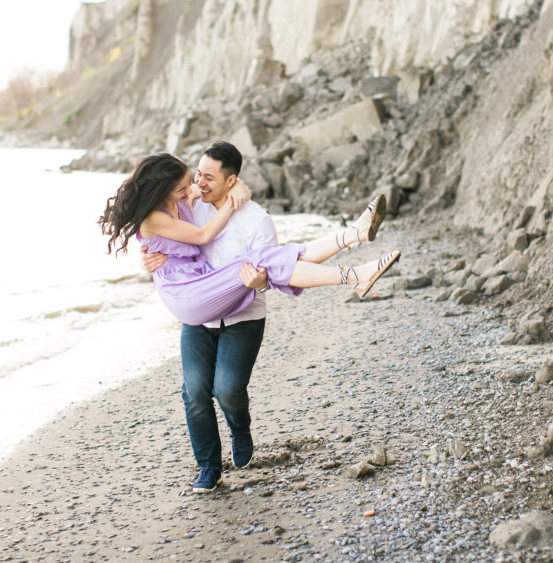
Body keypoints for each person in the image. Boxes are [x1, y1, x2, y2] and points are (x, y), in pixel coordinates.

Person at [99, 142, 399, 492]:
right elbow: (185, 238)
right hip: (196, 305)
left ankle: (240, 428)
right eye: (194, 179)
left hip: (240, 313)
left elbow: (276, 276)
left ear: (230, 180)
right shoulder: (189, 206)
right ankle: (208, 468)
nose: (196, 186)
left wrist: (256, 278)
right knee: (195, 392)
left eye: (207, 178)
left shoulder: (253, 218)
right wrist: (151, 256)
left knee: (229, 386)